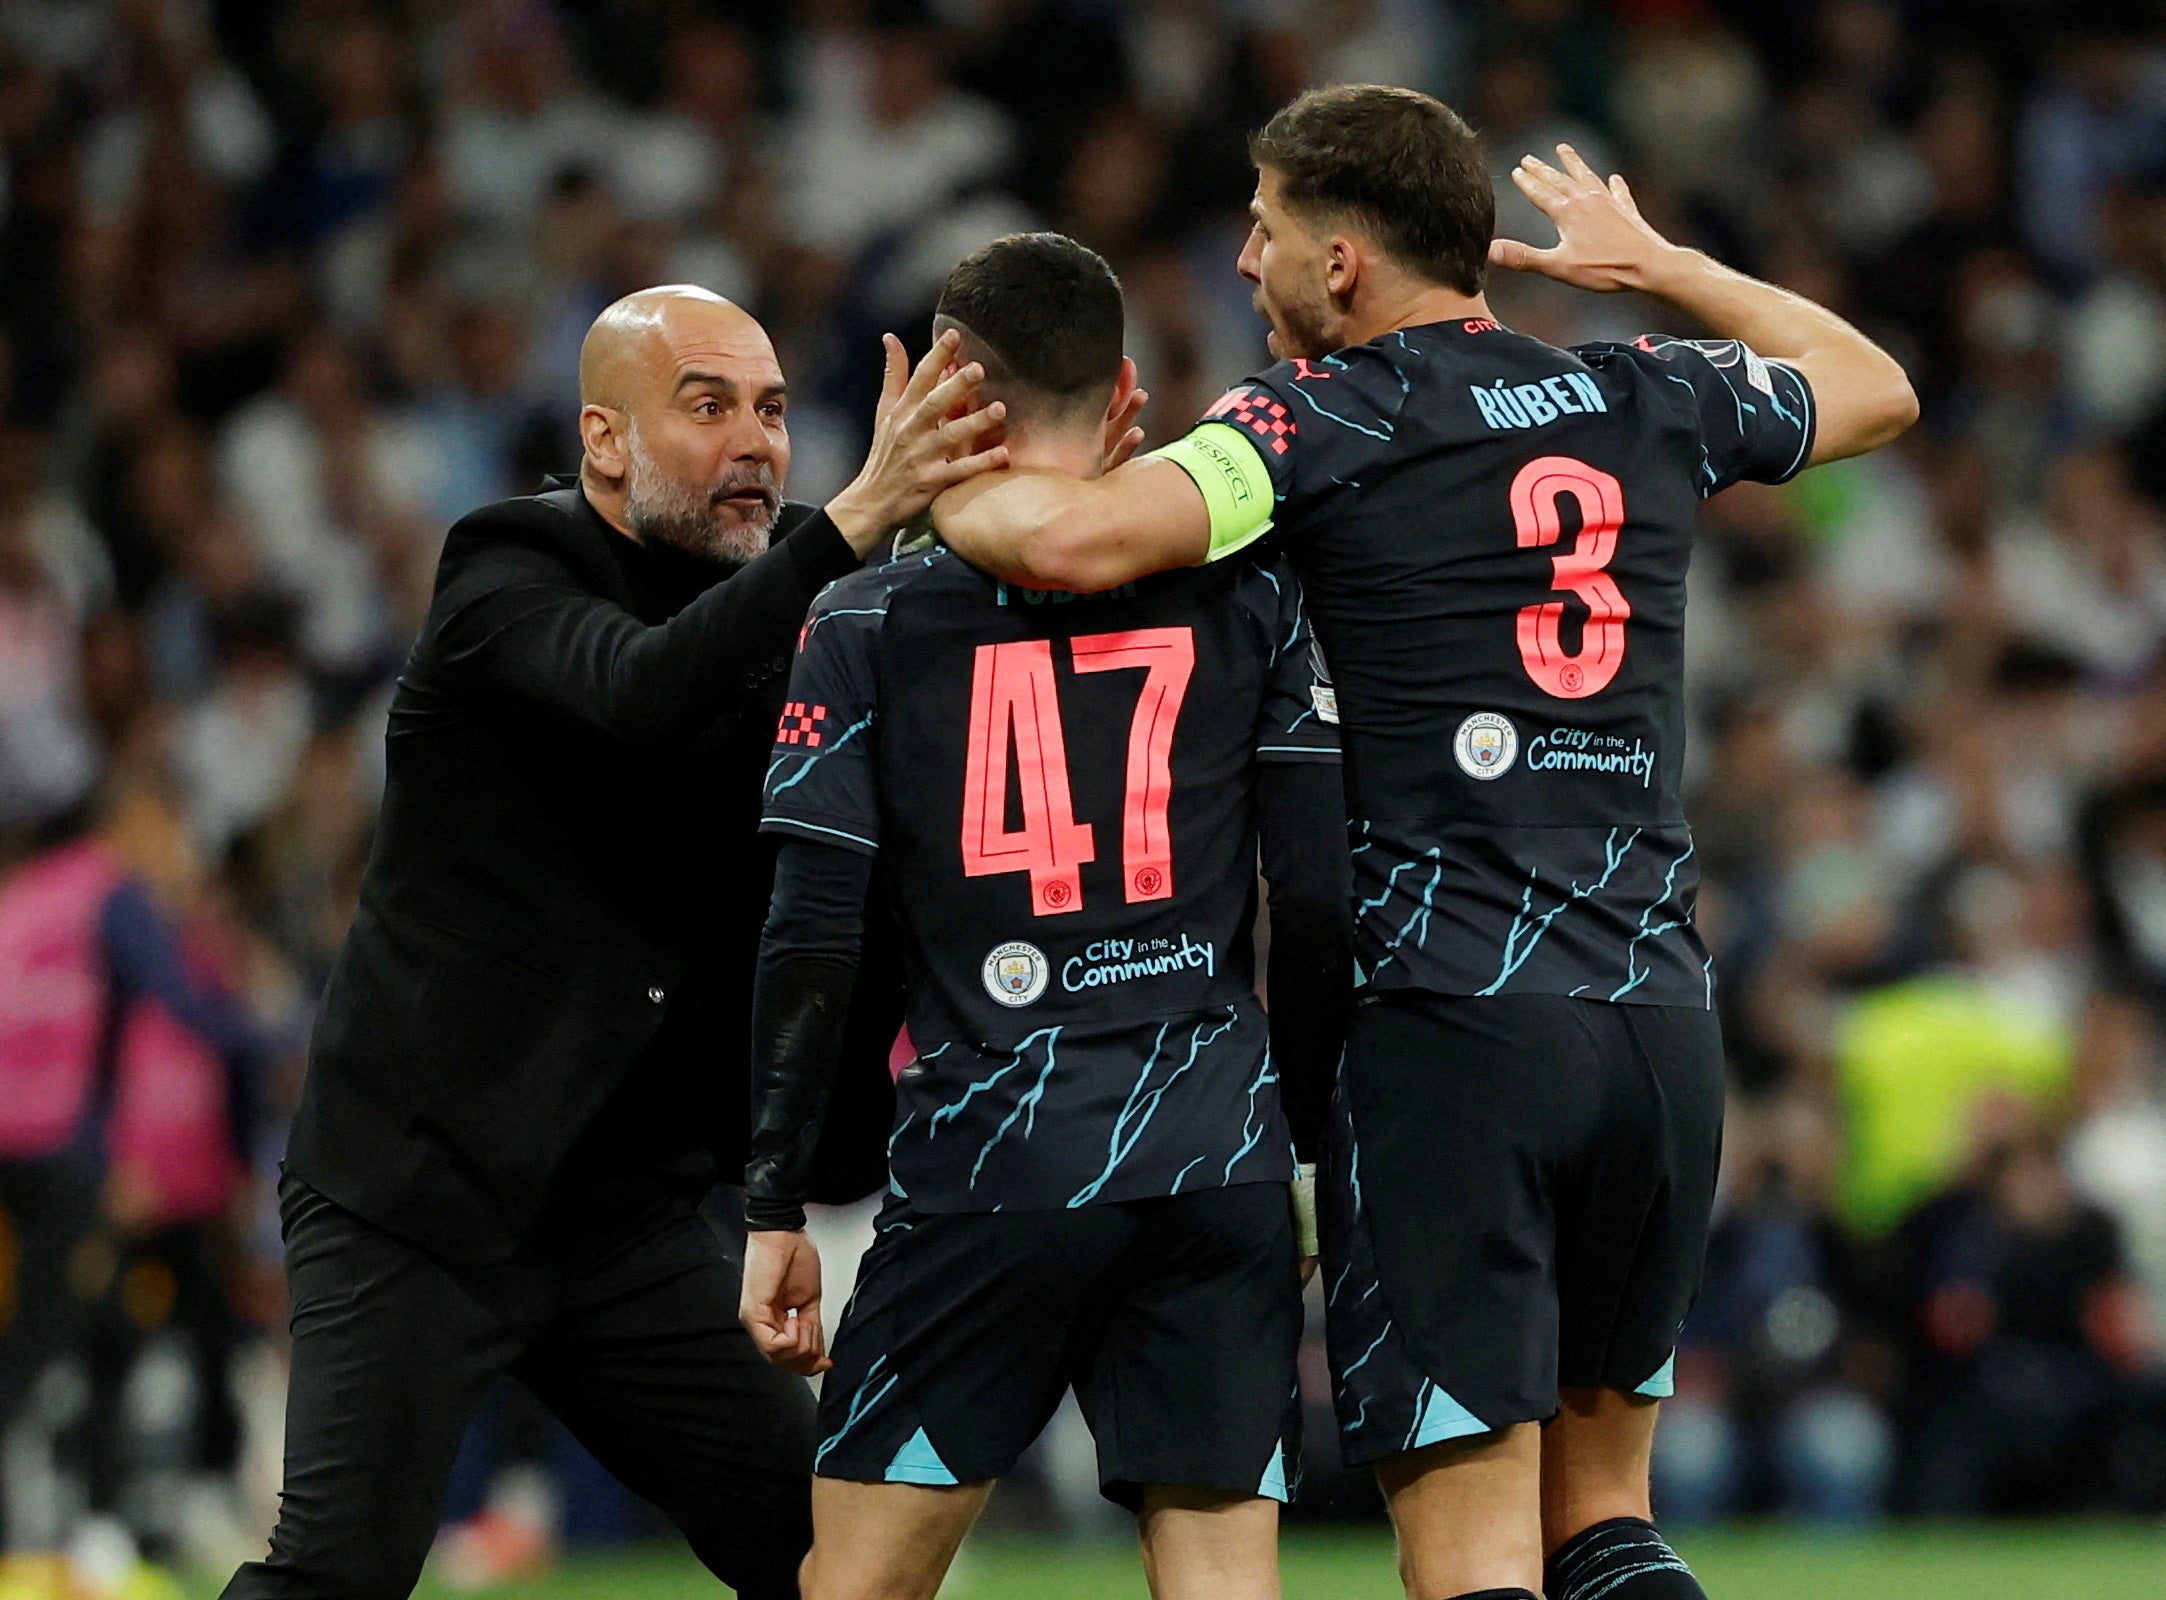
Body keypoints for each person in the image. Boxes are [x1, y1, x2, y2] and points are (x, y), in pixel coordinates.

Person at [931, 87, 1919, 1600]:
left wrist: (934, 482)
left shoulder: (1318, 417)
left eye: (1262, 231)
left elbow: (1070, 543)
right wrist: (1660, 263)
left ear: (1341, 258)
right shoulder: (1636, 389)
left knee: (1467, 1557)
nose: (1244, 267)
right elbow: (1870, 387)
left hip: (1458, 1037)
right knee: (1602, 1527)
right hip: (1656, 1028)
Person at [221, 287, 1006, 1600]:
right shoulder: (501, 570)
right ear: (602, 440)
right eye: (705, 406)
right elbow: (641, 690)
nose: (754, 440)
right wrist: (866, 520)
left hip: (620, 1214)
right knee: (334, 1579)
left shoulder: (812, 575)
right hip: (419, 1192)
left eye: (768, 407)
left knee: (837, 1570)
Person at [737, 233, 1354, 1600]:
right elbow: (1314, 898)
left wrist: (775, 1192)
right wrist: (1305, 1153)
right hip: (1212, 1153)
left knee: (853, 1591)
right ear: (1124, 391)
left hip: (989, 1162)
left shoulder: (864, 620)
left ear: (942, 391)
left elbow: (810, 932)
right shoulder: (1251, 593)